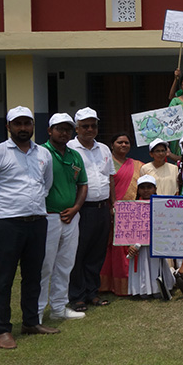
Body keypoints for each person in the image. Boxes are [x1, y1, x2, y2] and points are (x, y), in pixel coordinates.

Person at [0, 106, 57, 349]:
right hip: (7, 225)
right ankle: (2, 329)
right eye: (17, 123)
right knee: (4, 278)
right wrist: (6, 210)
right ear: (8, 126)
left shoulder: (44, 154)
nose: (23, 128)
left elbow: (46, 185)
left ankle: (31, 322)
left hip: (37, 223)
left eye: (27, 123)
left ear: (33, 126)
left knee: (34, 276)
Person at [39, 113, 88, 323]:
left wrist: (76, 208)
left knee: (65, 264)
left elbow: (82, 184)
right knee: (44, 266)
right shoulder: (40, 153)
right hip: (47, 217)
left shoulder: (75, 155)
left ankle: (58, 308)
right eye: (59, 128)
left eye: (68, 129)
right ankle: (36, 312)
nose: (64, 133)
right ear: (49, 130)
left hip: (71, 217)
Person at [68, 107, 115, 312]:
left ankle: (92, 292)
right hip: (81, 210)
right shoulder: (69, 149)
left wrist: (113, 204)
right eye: (85, 126)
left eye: (93, 125)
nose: (89, 129)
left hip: (102, 208)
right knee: (78, 253)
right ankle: (77, 295)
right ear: (76, 128)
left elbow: (110, 178)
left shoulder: (103, 149)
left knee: (97, 253)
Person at [103, 132, 143, 295]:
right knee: (108, 247)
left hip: (129, 213)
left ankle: (126, 285)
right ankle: (105, 284)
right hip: (109, 209)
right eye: (120, 142)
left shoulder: (137, 165)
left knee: (125, 248)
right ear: (112, 145)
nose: (123, 145)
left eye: (126, 143)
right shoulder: (105, 163)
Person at [127, 175, 176, 298]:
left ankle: (158, 288)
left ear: (155, 189)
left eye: (149, 187)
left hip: (156, 245)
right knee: (142, 265)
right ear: (138, 190)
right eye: (142, 187)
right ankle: (142, 290)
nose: (146, 190)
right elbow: (127, 228)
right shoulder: (132, 207)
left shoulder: (162, 206)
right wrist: (130, 244)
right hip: (138, 245)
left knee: (155, 266)